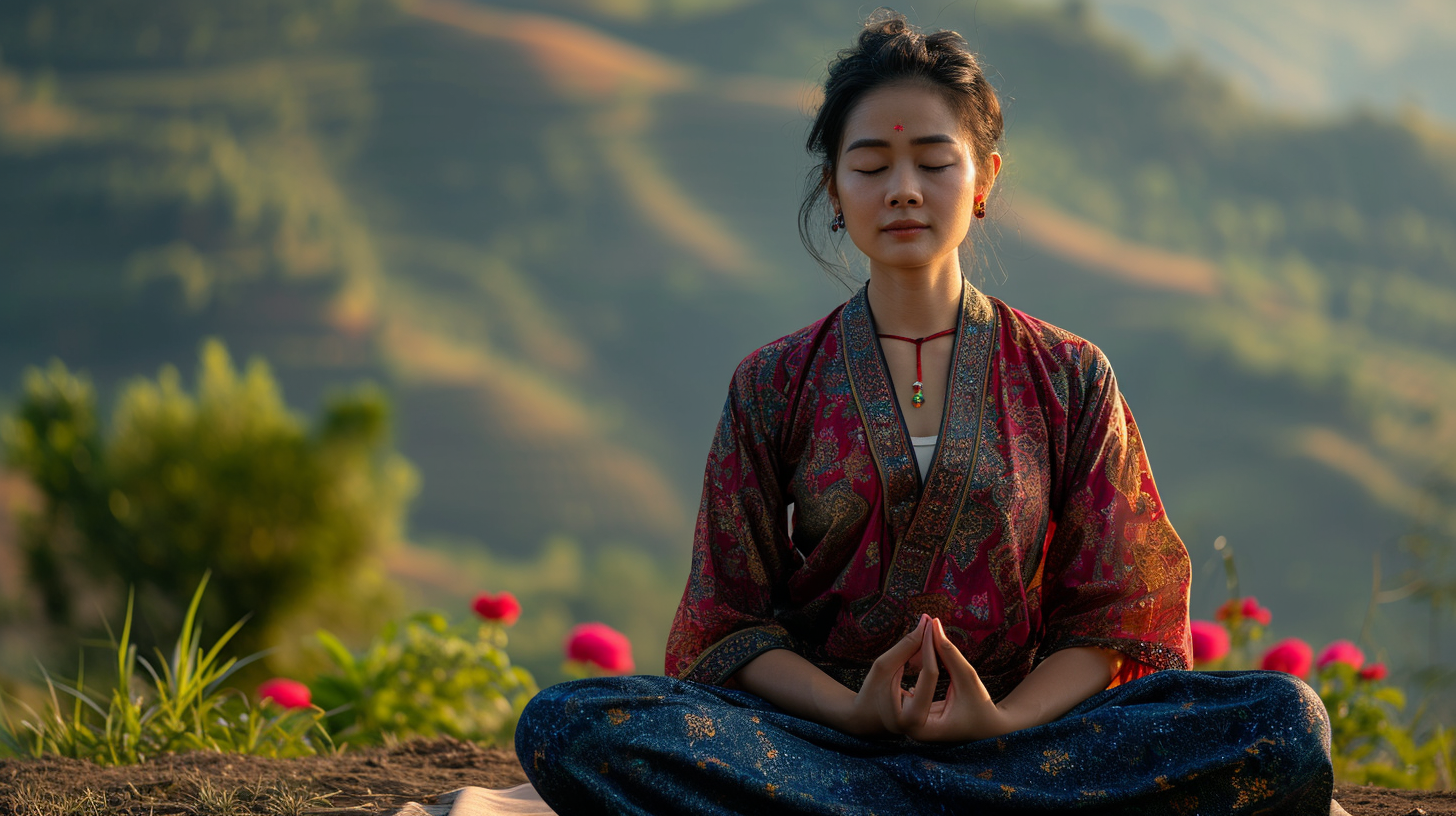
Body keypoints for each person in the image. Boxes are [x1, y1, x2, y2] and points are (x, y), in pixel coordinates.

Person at [514, 8, 1340, 814]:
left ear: (984, 178)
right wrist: (853, 713)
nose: (903, 190)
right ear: (834, 188)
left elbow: (1118, 616)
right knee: (569, 725)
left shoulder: (1070, 375)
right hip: (817, 743)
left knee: (1285, 722)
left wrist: (1003, 719)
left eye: (934, 163)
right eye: (871, 166)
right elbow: (728, 622)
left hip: (1024, 740)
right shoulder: (772, 382)